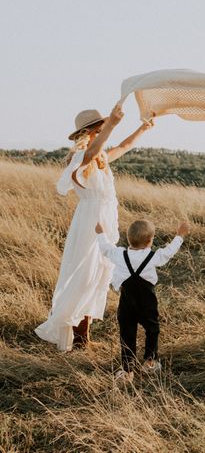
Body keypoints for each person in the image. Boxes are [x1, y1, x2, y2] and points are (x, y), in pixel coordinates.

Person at [35, 103, 155, 351]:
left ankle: (83, 337)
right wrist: (111, 124)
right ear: (91, 132)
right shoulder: (81, 157)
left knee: (98, 275)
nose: (104, 133)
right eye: (100, 129)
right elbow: (90, 154)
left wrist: (144, 128)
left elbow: (124, 146)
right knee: (85, 275)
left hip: (105, 219)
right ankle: (77, 338)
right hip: (92, 223)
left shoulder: (100, 158)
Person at [95, 218, 189, 383]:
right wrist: (179, 236)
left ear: (128, 238)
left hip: (126, 303)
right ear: (149, 241)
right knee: (152, 329)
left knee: (127, 335)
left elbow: (105, 249)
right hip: (147, 302)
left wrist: (100, 233)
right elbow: (168, 252)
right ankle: (150, 362)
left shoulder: (119, 254)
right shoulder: (153, 256)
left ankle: (127, 370)